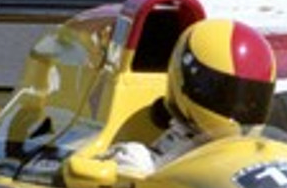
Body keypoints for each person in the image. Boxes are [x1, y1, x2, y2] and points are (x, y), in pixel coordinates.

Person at [107, 18, 277, 175]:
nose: (239, 107)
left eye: (251, 99)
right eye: (224, 94)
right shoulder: (137, 162)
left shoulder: (270, 154)